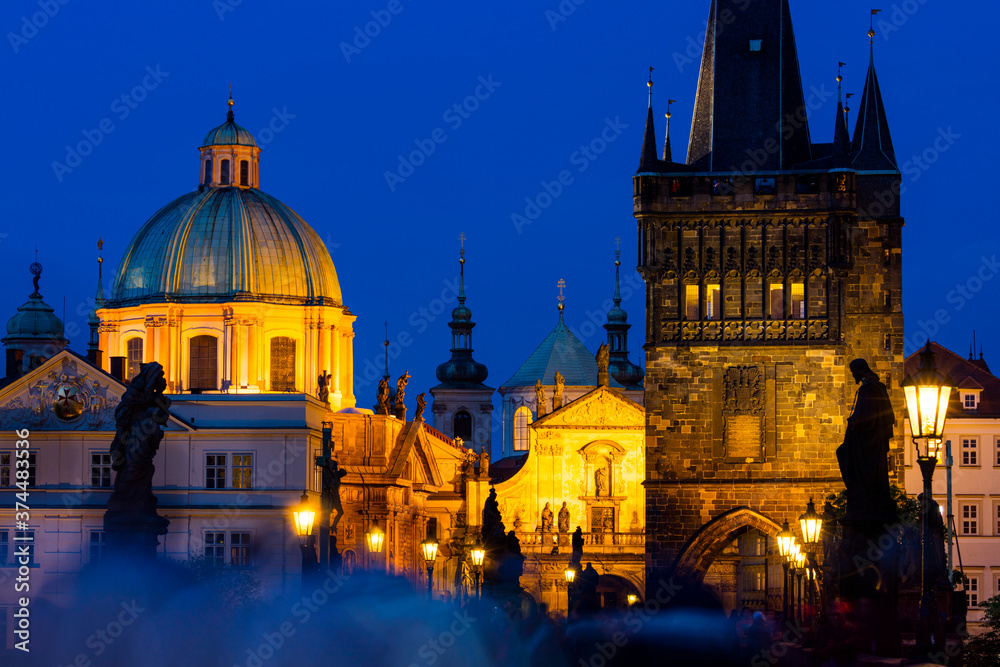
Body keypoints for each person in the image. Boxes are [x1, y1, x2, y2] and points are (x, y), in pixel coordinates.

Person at [836, 359, 895, 520]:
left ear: (859, 370)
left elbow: (868, 416)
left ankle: (857, 489)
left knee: (842, 453)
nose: (852, 375)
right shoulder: (874, 387)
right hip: (868, 438)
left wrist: (854, 422)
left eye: (853, 372)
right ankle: (856, 488)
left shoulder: (869, 389)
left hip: (868, 440)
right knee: (843, 452)